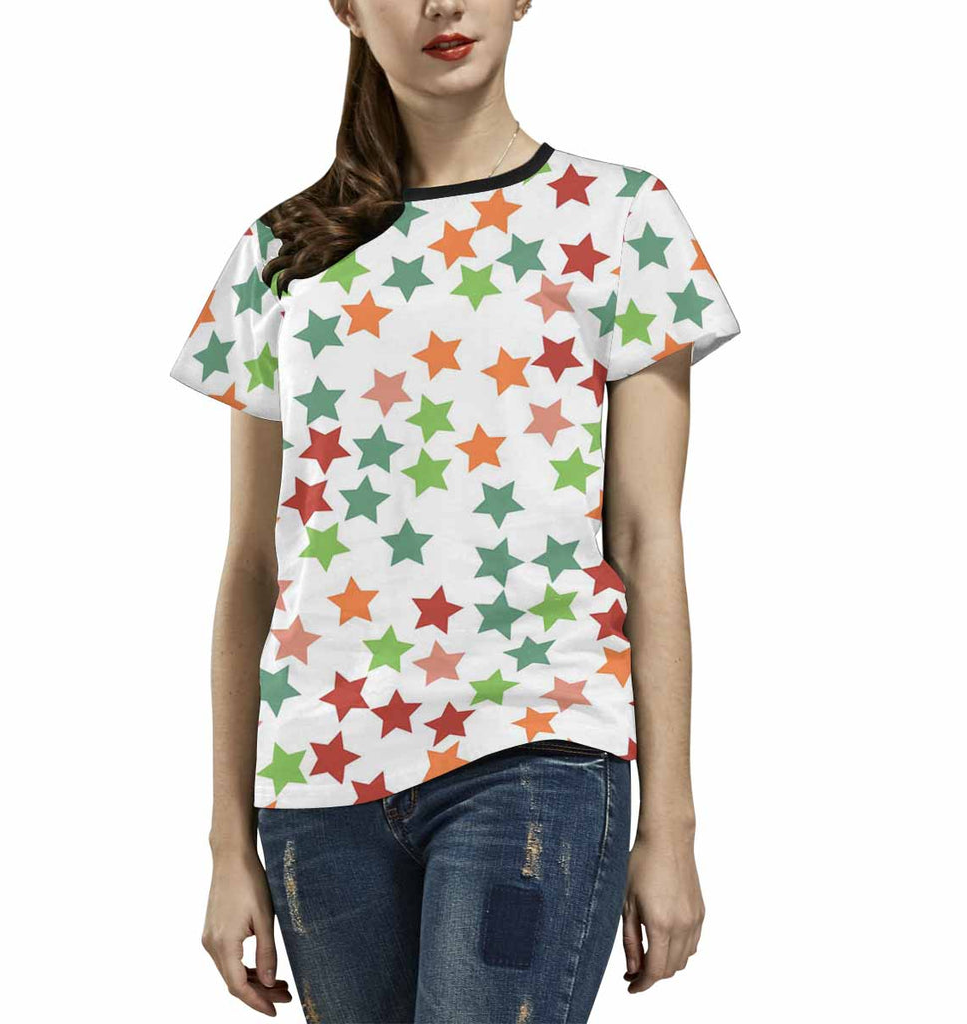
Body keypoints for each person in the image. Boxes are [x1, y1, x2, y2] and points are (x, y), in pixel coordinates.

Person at [169, 2, 741, 1021]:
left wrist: (672, 827)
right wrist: (227, 843)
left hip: (536, 750)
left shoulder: (621, 219)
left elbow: (648, 538)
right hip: (316, 784)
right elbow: (253, 565)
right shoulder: (281, 252)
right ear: (345, 9)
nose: (442, 3)